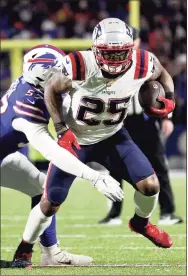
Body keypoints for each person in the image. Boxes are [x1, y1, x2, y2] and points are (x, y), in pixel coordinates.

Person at [12, 18, 176, 267]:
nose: (114, 60)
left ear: (131, 49)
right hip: (76, 140)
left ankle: (140, 223)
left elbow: (163, 73)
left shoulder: (143, 62)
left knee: (151, 186)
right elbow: (50, 90)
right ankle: (24, 249)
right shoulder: (78, 64)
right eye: (108, 54)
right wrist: (60, 128)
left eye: (120, 53)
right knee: (49, 202)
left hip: (113, 136)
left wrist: (170, 100)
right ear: (95, 50)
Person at [0, 44, 124, 268]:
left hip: (4, 155)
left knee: (40, 188)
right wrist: (96, 177)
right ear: (43, 76)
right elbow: (53, 153)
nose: (63, 76)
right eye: (57, 72)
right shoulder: (26, 110)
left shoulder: (30, 82)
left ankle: (51, 254)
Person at [98, 27, 183, 226]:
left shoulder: (146, 59)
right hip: (120, 120)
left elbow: (163, 85)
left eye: (133, 40)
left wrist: (167, 117)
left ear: (136, 42)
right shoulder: (109, 59)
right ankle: (114, 213)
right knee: (115, 167)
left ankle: (167, 212)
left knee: (158, 165)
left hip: (145, 119)